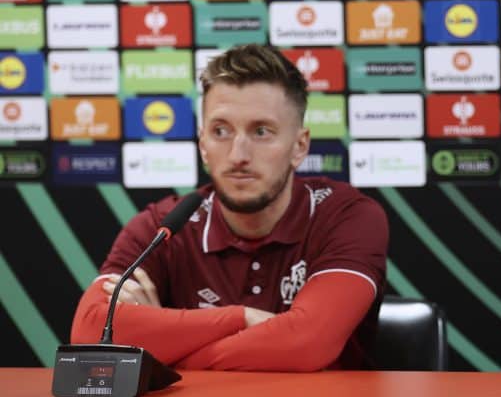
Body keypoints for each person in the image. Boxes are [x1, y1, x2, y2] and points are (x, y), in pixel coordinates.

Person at [71, 44, 388, 371]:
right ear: (203, 144)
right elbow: (91, 331)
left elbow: (306, 344)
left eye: (261, 131)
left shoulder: (346, 217)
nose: (238, 154)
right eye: (221, 131)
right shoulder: (163, 228)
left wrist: (161, 352)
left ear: (300, 146)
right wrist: (241, 318)